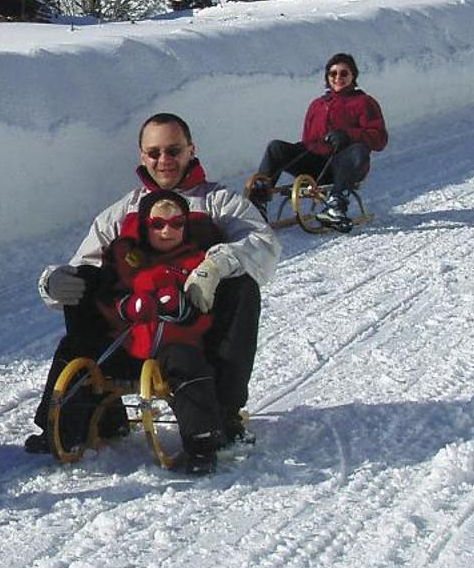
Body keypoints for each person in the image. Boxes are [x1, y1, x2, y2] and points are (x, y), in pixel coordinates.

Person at [29, 112, 278, 461]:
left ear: (191, 150)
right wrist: (56, 282)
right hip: (131, 332)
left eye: (173, 151)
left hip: (192, 338)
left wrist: (216, 266)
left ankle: (222, 413)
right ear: (142, 156)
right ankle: (86, 415)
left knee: (242, 286)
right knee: (84, 285)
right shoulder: (121, 213)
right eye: (154, 152)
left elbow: (264, 246)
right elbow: (86, 264)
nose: (164, 161)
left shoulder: (220, 203)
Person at [96, 189, 232, 472]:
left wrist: (181, 309)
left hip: (174, 343)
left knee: (189, 366)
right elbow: (107, 297)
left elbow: (205, 309)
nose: (167, 231)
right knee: (91, 363)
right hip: (132, 343)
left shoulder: (195, 262)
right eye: (158, 225)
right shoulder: (127, 259)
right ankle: (90, 425)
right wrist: (127, 307)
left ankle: (202, 442)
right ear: (146, 226)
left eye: (177, 223)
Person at [246, 52, 389, 231]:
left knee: (359, 149)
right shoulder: (318, 105)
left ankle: (336, 206)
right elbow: (308, 140)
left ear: (353, 75)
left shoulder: (364, 102)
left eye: (344, 73)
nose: (338, 78)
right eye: (333, 74)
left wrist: (349, 135)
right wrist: (296, 151)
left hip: (345, 166)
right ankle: (256, 206)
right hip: (315, 167)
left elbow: (379, 138)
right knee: (276, 147)